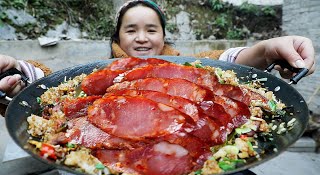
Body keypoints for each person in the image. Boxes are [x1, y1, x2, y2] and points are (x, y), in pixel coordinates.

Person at [0, 0, 316, 116]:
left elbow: (226, 66)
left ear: (163, 36)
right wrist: (16, 74)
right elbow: (56, 91)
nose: (141, 37)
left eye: (151, 29)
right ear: (117, 37)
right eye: (131, 29)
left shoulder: (192, 66)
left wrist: (265, 50)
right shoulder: (98, 77)